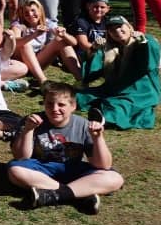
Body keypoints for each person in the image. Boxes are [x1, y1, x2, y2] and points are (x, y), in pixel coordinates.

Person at [8, 81, 124, 213]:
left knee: (115, 179)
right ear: (44, 103)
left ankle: (55, 195)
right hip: (40, 169)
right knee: (15, 170)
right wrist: (28, 130)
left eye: (61, 104)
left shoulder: (83, 125)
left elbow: (103, 165)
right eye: (49, 104)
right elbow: (21, 157)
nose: (54, 109)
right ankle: (80, 194)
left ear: (73, 106)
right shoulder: (31, 121)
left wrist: (98, 138)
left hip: (73, 169)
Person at [77, 15, 161, 130]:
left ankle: (104, 119)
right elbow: (93, 73)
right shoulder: (111, 49)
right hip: (114, 88)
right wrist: (94, 49)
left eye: (120, 26)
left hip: (141, 91)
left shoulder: (143, 41)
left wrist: (143, 41)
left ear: (129, 27)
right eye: (112, 30)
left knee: (118, 104)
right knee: (81, 95)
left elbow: (150, 61)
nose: (117, 31)